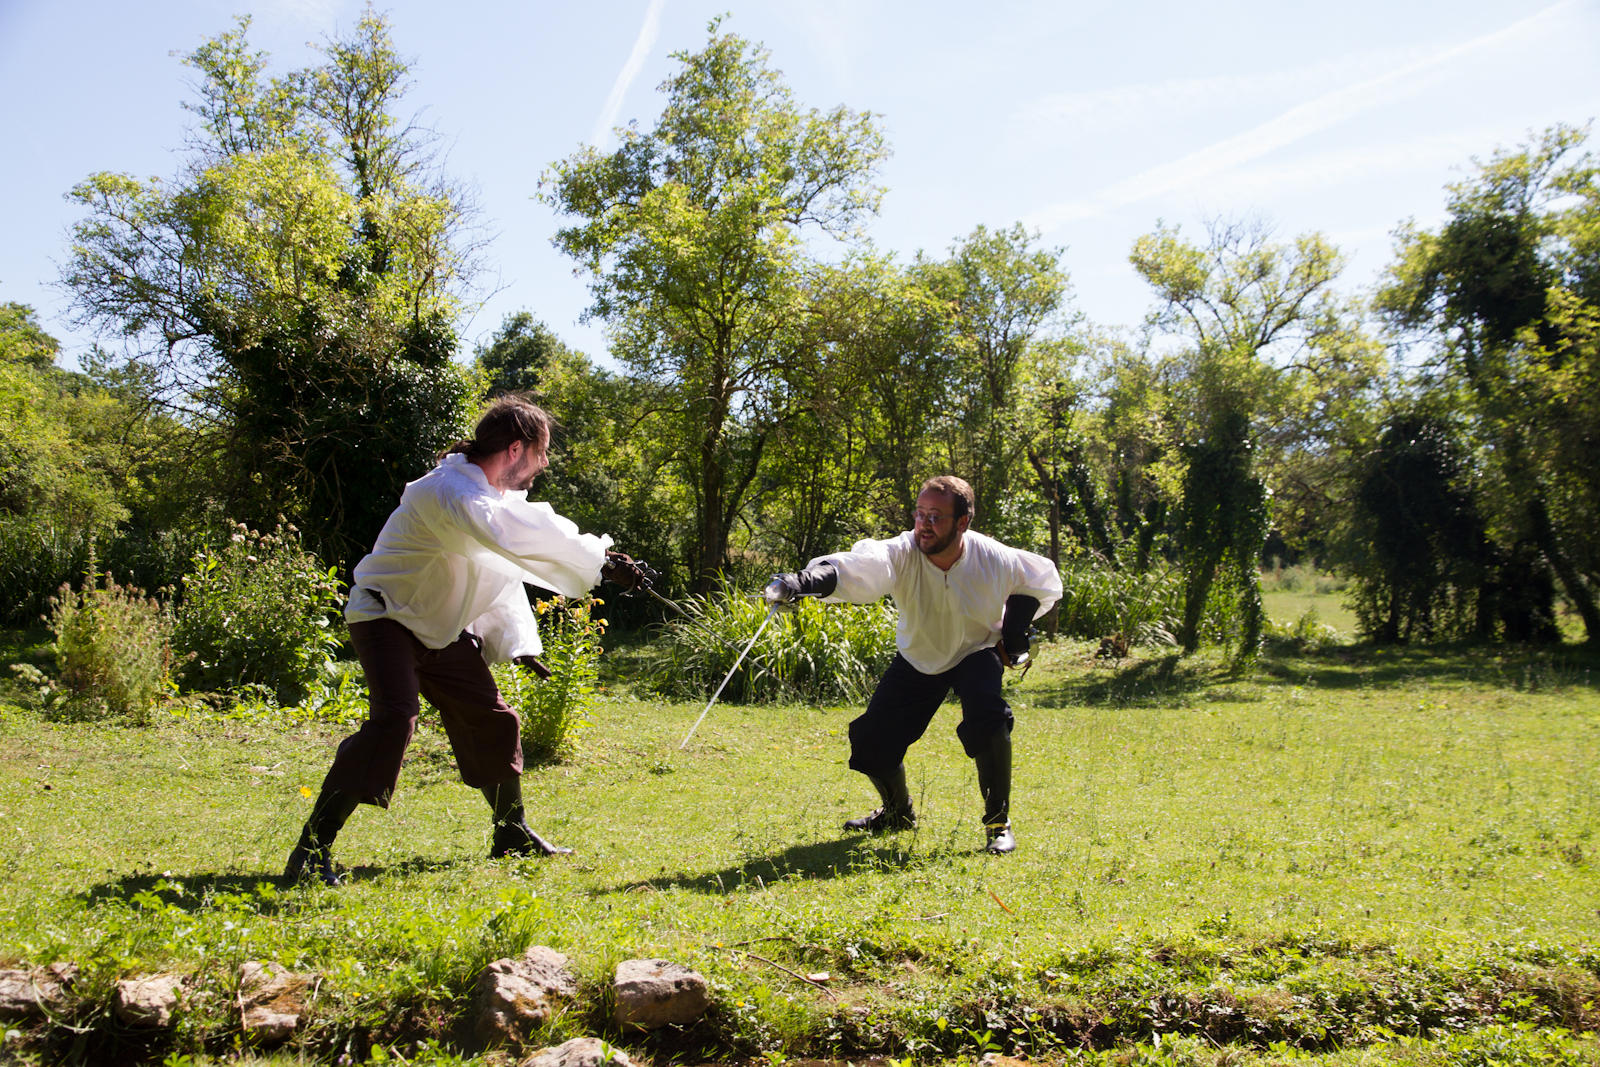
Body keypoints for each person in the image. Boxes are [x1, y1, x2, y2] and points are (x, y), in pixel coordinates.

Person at [285, 396, 643, 885]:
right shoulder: (450, 491)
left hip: (439, 630)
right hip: (386, 617)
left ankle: (511, 833)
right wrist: (599, 561)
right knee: (394, 720)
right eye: (541, 452)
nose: (543, 464)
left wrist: (518, 642)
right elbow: (512, 537)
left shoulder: (488, 498)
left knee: (493, 719)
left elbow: (498, 570)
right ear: (515, 448)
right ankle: (311, 850)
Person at [765, 476, 1061, 854]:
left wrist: (1016, 629)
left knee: (988, 717)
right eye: (920, 514)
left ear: (963, 522)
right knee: (871, 741)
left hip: (976, 650)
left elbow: (1041, 581)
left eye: (936, 516)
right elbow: (859, 568)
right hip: (919, 656)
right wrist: (801, 582)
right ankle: (897, 813)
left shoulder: (994, 557)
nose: (924, 525)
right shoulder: (901, 552)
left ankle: (998, 824)